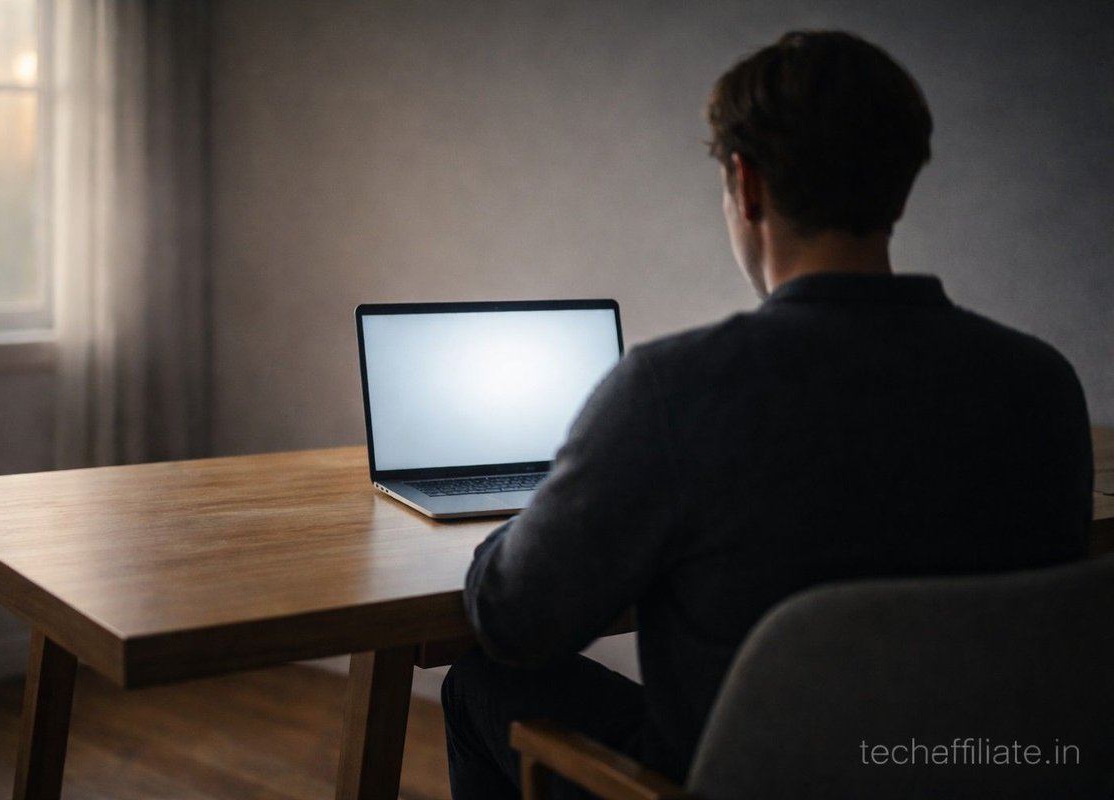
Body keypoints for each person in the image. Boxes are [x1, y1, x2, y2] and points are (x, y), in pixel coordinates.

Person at [441, 30, 1093, 798]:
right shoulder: (1042, 385)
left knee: (481, 683)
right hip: (977, 775)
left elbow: (516, 620)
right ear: (901, 187)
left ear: (745, 185)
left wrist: (542, 517)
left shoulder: (671, 390)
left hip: (744, 780)